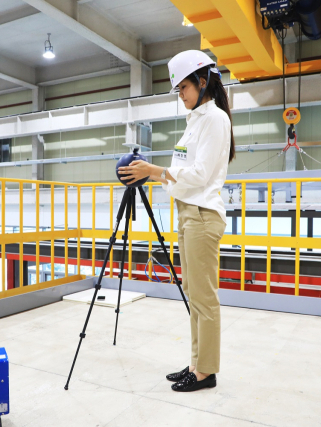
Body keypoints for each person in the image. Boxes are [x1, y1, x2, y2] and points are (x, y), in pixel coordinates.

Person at [117, 50, 235, 392]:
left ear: (202, 81)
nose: (181, 94)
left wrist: (154, 170)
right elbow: (180, 176)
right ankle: (197, 363)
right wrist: (148, 174)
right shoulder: (195, 120)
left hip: (202, 215)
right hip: (187, 212)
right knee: (193, 293)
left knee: (204, 297)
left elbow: (198, 175)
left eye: (183, 87)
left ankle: (206, 372)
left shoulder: (215, 119)